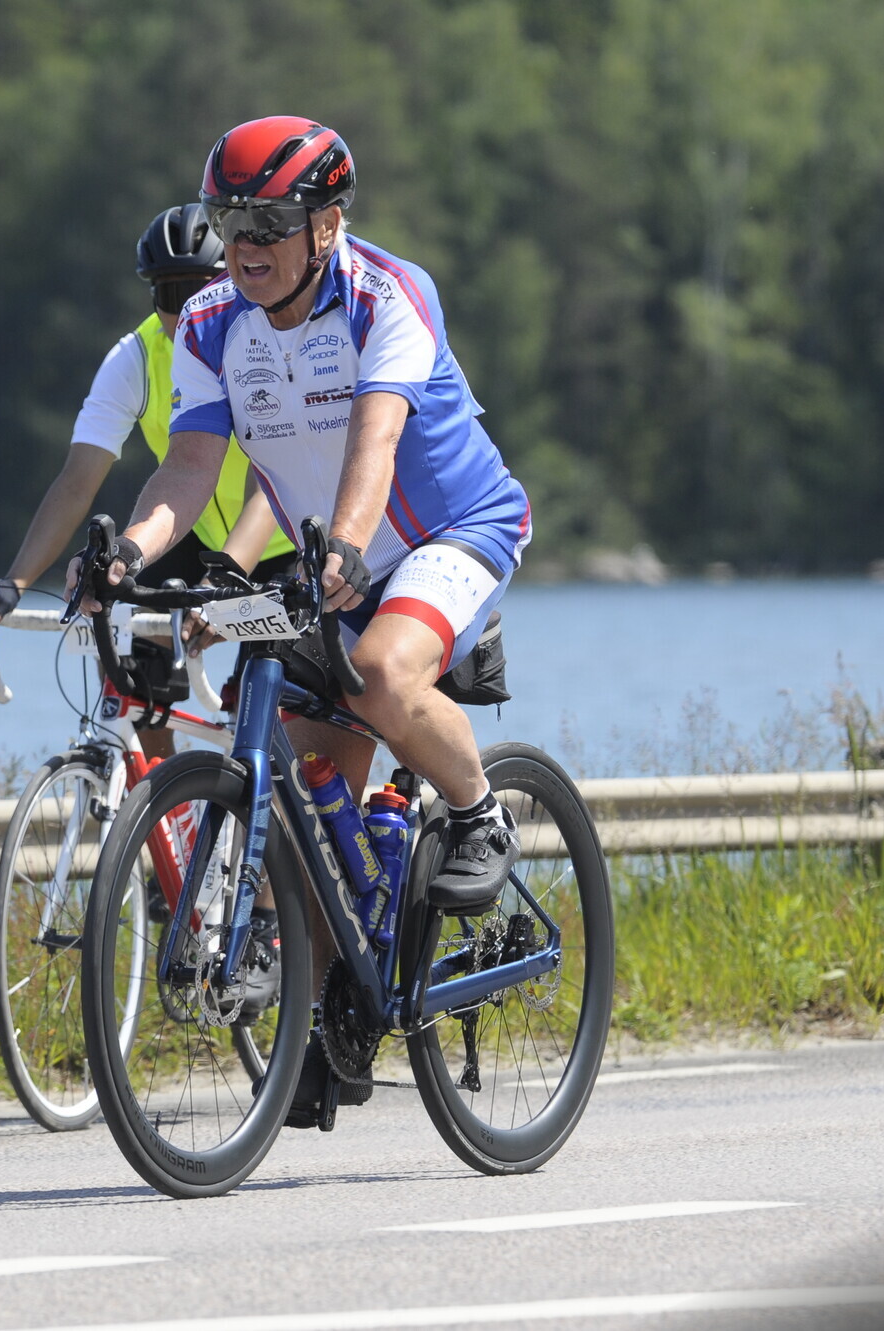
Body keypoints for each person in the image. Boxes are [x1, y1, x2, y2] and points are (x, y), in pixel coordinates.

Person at [72, 116, 532, 1123]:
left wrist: (345, 548)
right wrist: (129, 555)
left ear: (325, 224)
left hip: (448, 529)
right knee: (301, 797)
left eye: (267, 223)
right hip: (335, 555)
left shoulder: (386, 296)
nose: (243, 244)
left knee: (381, 674)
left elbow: (375, 441)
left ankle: (477, 812)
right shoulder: (208, 325)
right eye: (228, 220)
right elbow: (189, 468)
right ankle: (330, 1015)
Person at [0, 203, 296, 765]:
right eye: (170, 294)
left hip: (285, 535)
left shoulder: (268, 341)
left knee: (277, 716)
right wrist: (14, 583)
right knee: (127, 638)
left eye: (201, 290)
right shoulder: (137, 358)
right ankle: (163, 804)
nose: (187, 310)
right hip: (197, 534)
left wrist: (227, 578)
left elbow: (276, 484)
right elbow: (77, 481)